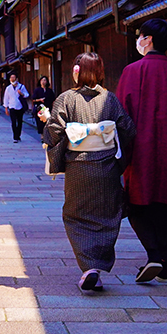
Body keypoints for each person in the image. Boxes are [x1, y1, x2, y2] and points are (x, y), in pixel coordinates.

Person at [40, 53, 136, 292]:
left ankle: (89, 268)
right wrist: (120, 162)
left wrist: (46, 120)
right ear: (100, 72)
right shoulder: (110, 99)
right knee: (107, 215)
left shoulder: (66, 99)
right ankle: (97, 266)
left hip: (78, 168)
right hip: (106, 168)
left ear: (77, 71)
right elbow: (129, 130)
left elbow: (54, 132)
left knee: (76, 216)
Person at [115, 18, 167, 284]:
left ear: (148, 39)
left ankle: (153, 254)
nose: (138, 40)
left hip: (141, 152)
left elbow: (122, 116)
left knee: (137, 204)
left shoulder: (133, 71)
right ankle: (165, 264)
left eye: (140, 36)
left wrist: (121, 150)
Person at [3, 73, 29, 143]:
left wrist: (22, 94)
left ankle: (18, 135)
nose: (12, 79)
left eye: (13, 77)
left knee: (20, 122)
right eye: (11, 78)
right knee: (13, 122)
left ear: (16, 79)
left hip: (20, 107)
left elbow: (27, 95)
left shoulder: (21, 86)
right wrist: (6, 108)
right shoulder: (8, 88)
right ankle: (15, 137)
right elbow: (6, 98)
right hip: (12, 107)